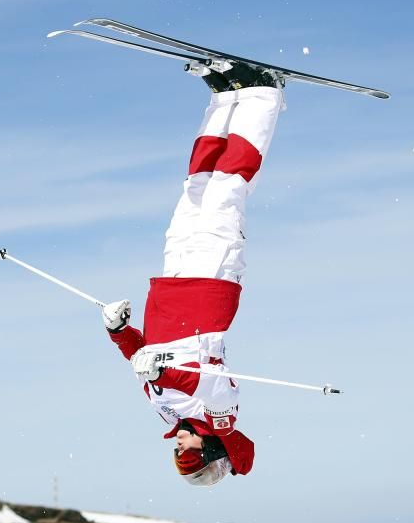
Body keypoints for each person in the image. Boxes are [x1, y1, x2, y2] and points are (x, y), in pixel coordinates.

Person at [102, 62, 285, 486]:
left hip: (170, 294)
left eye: (177, 456)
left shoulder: (166, 412)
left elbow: (141, 358)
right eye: (187, 456)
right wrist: (160, 373)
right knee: (227, 189)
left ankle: (224, 100)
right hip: (207, 292)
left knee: (197, 188)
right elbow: (207, 384)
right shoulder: (220, 420)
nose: (178, 448)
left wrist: (118, 332)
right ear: (211, 451)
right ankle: (262, 96)